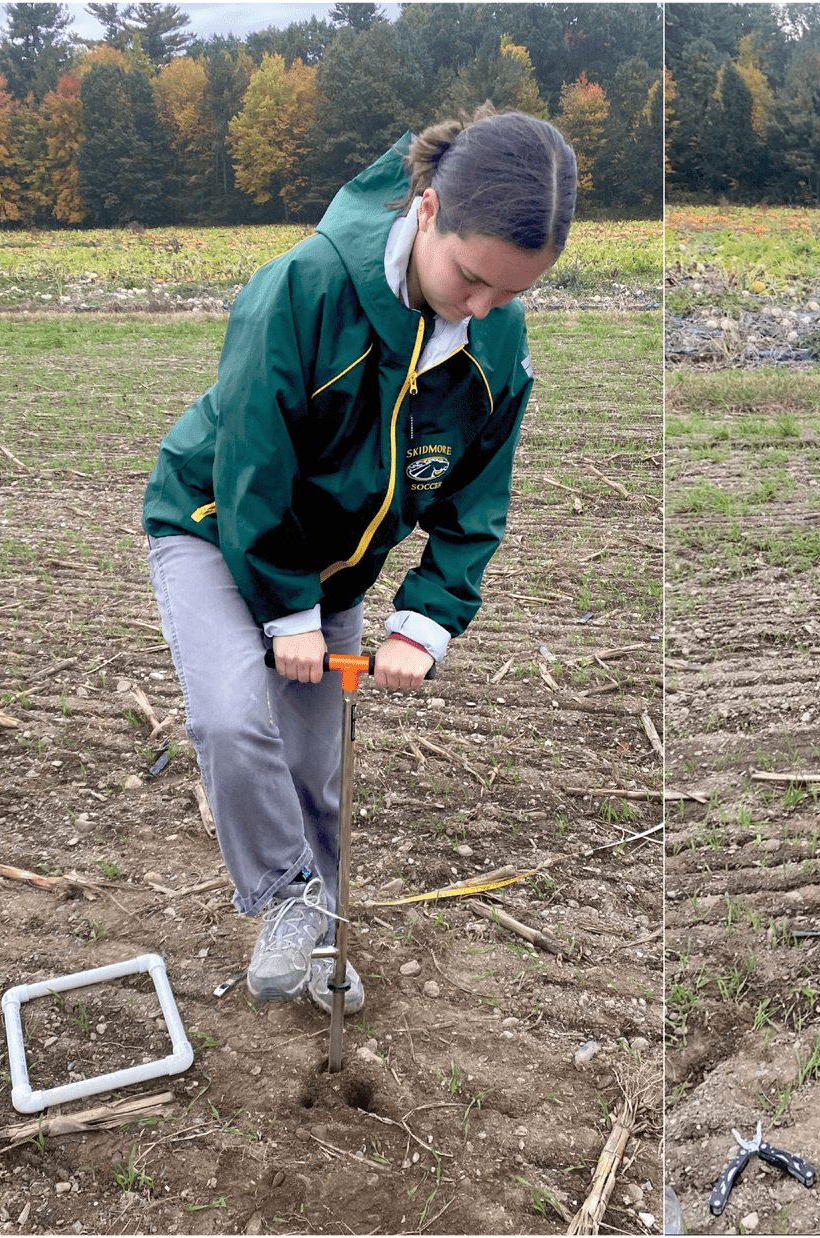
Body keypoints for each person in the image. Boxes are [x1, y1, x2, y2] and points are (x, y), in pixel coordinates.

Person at [143, 105, 577, 1011]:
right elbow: (254, 468)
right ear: (426, 210)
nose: (484, 307)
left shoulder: (495, 335)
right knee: (231, 717)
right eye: (470, 279)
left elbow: (473, 498)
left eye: (509, 291)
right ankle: (284, 898)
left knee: (315, 769)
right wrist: (291, 612)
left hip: (333, 563)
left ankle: (322, 938)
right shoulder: (300, 289)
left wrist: (425, 621)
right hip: (215, 523)